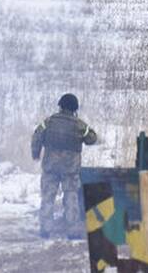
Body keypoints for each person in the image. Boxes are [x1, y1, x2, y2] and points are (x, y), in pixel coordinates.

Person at [31, 93, 99, 238]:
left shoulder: (49, 122)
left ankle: (45, 229)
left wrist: (36, 154)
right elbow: (92, 138)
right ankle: (73, 231)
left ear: (60, 106)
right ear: (74, 108)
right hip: (71, 169)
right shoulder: (79, 124)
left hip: (51, 168)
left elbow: (36, 135)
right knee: (71, 197)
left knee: (48, 197)